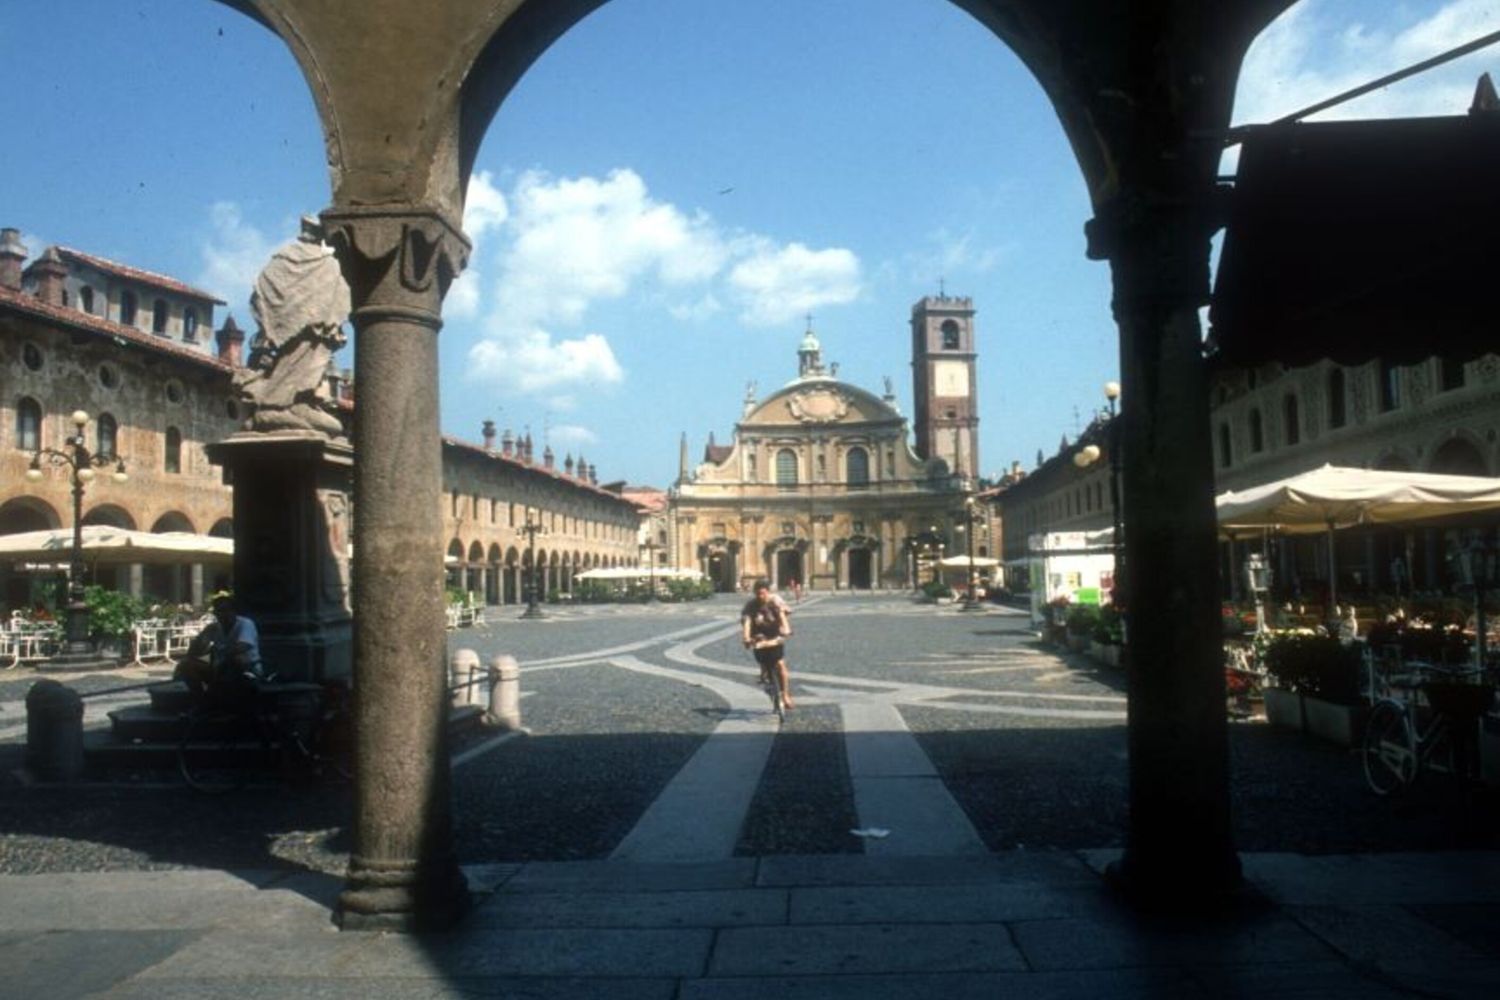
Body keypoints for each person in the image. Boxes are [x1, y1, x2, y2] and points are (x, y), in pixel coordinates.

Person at [173, 593, 265, 705]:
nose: (222, 614)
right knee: (186, 665)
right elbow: (194, 652)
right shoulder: (214, 628)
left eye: (225, 610)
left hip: (246, 670)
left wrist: (220, 654)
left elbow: (243, 646)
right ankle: (201, 701)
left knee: (232, 662)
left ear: (234, 611)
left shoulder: (246, 624)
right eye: (218, 611)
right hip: (218, 670)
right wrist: (202, 638)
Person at [741, 579, 793, 710]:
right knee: (762, 660)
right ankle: (764, 671)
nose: (760, 596)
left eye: (763, 593)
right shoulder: (750, 605)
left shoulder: (775, 600)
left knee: (780, 664)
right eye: (758, 593)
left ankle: (786, 695)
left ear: (768, 592)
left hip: (774, 634)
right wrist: (746, 637)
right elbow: (747, 622)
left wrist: (786, 629)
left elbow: (782, 615)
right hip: (758, 635)